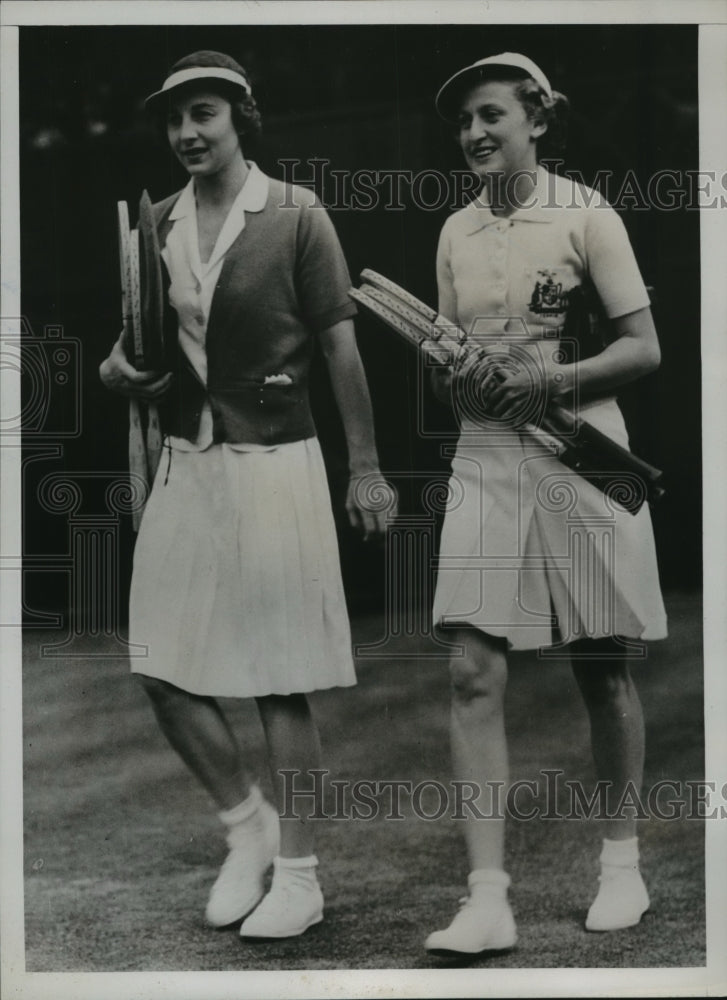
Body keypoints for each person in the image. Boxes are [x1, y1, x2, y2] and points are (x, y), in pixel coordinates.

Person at [99, 50, 394, 940]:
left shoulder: (298, 214)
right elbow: (137, 342)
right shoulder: (155, 220)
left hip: (275, 462)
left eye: (204, 113)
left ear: (240, 117)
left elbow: (340, 348)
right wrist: (117, 369)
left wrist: (365, 467)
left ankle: (299, 877)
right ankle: (246, 826)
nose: (187, 132)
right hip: (187, 461)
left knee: (278, 679)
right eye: (174, 118)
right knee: (158, 666)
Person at [424, 53, 667, 956]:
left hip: (580, 450)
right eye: (464, 121)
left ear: (536, 118)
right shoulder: (453, 230)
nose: (474, 133)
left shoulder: (586, 213)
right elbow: (447, 362)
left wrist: (547, 381)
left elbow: (642, 348)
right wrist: (459, 376)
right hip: (486, 456)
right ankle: (486, 900)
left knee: (600, 666)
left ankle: (621, 866)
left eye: (490, 115)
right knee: (470, 671)